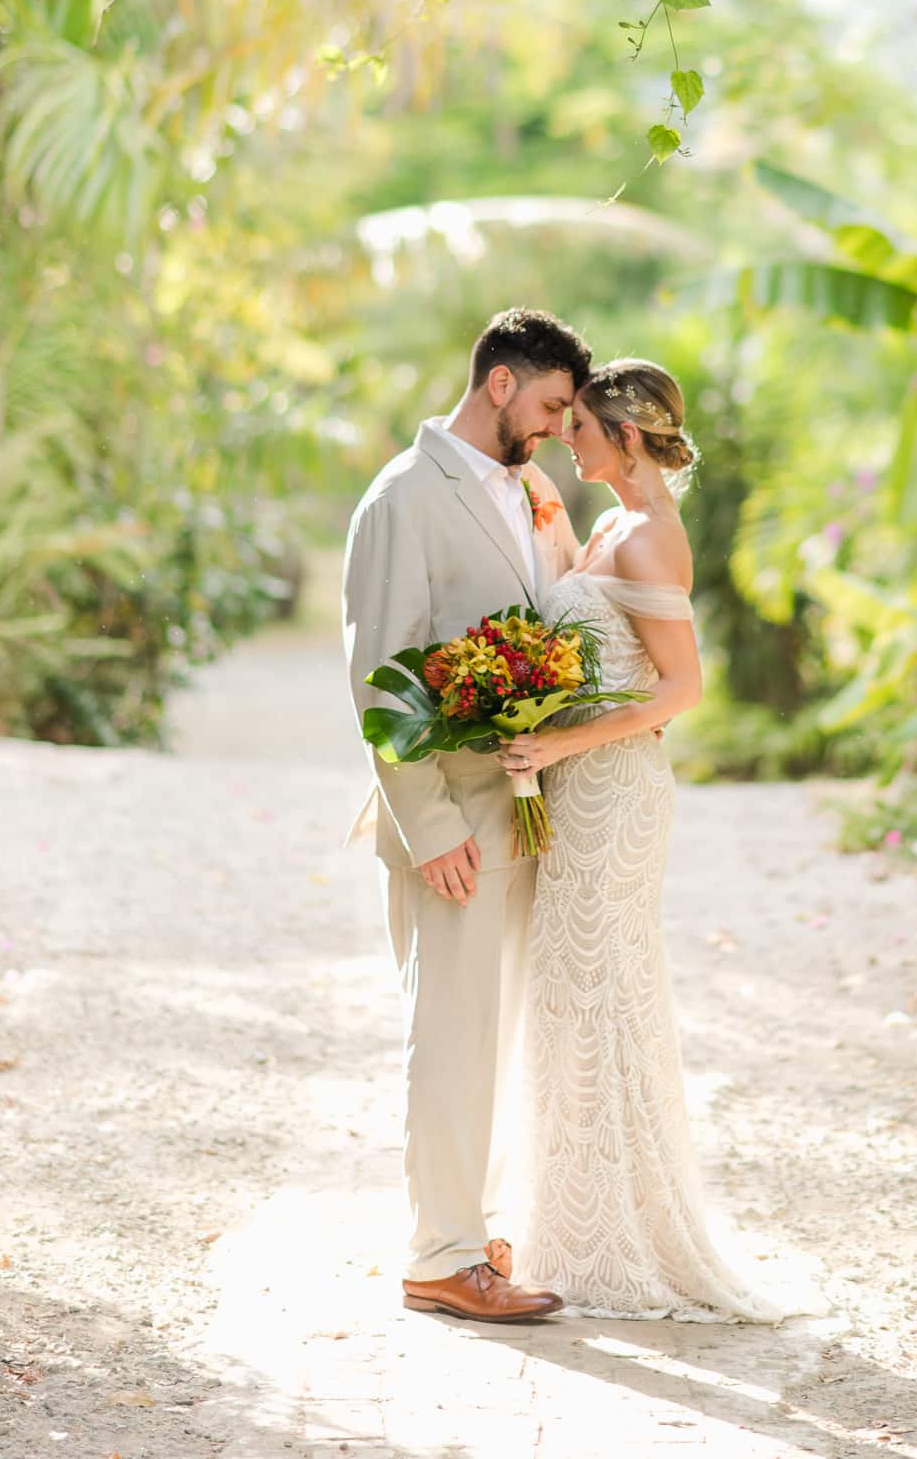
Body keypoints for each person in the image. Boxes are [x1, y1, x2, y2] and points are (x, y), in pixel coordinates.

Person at [497, 359, 786, 1322]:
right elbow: (599, 627)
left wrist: (559, 741)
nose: (565, 439)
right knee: (569, 1000)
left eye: (578, 426)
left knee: (598, 997)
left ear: (624, 438)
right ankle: (575, 1218)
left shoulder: (656, 540)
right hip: (576, 792)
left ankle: (615, 1237)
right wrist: (544, 518)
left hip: (614, 799)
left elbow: (679, 691)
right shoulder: (613, 527)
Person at [341, 306, 588, 1324]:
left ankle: (470, 1227)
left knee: (494, 1035)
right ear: (499, 385)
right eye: (551, 405)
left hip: (522, 806)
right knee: (449, 1032)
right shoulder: (405, 496)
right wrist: (432, 825)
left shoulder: (529, 489)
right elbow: (378, 672)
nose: (559, 428)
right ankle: (439, 1256)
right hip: (449, 818)